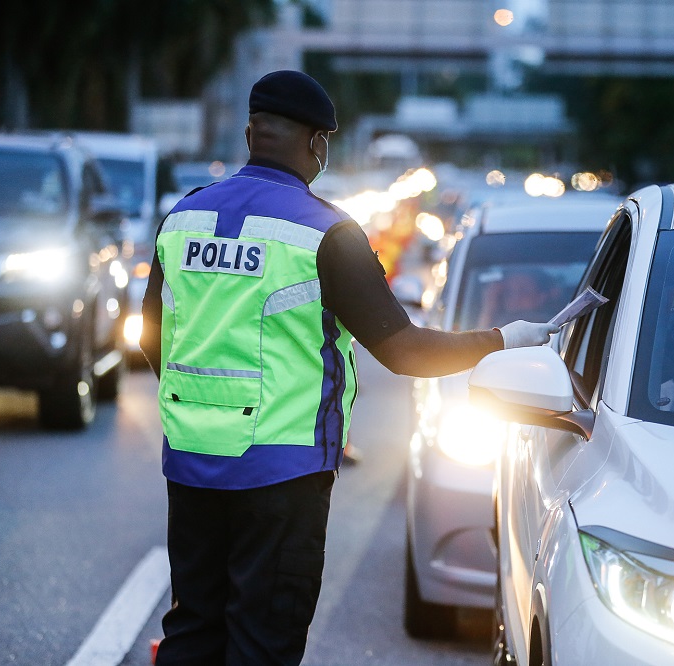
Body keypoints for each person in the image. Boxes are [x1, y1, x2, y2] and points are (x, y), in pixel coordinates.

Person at [139, 70, 557, 666]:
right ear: (317, 144)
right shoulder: (324, 231)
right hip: (282, 473)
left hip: (191, 462)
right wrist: (502, 339)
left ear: (252, 132)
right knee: (263, 639)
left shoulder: (182, 218)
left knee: (194, 629)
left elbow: (152, 335)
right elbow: (403, 350)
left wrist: (200, 411)